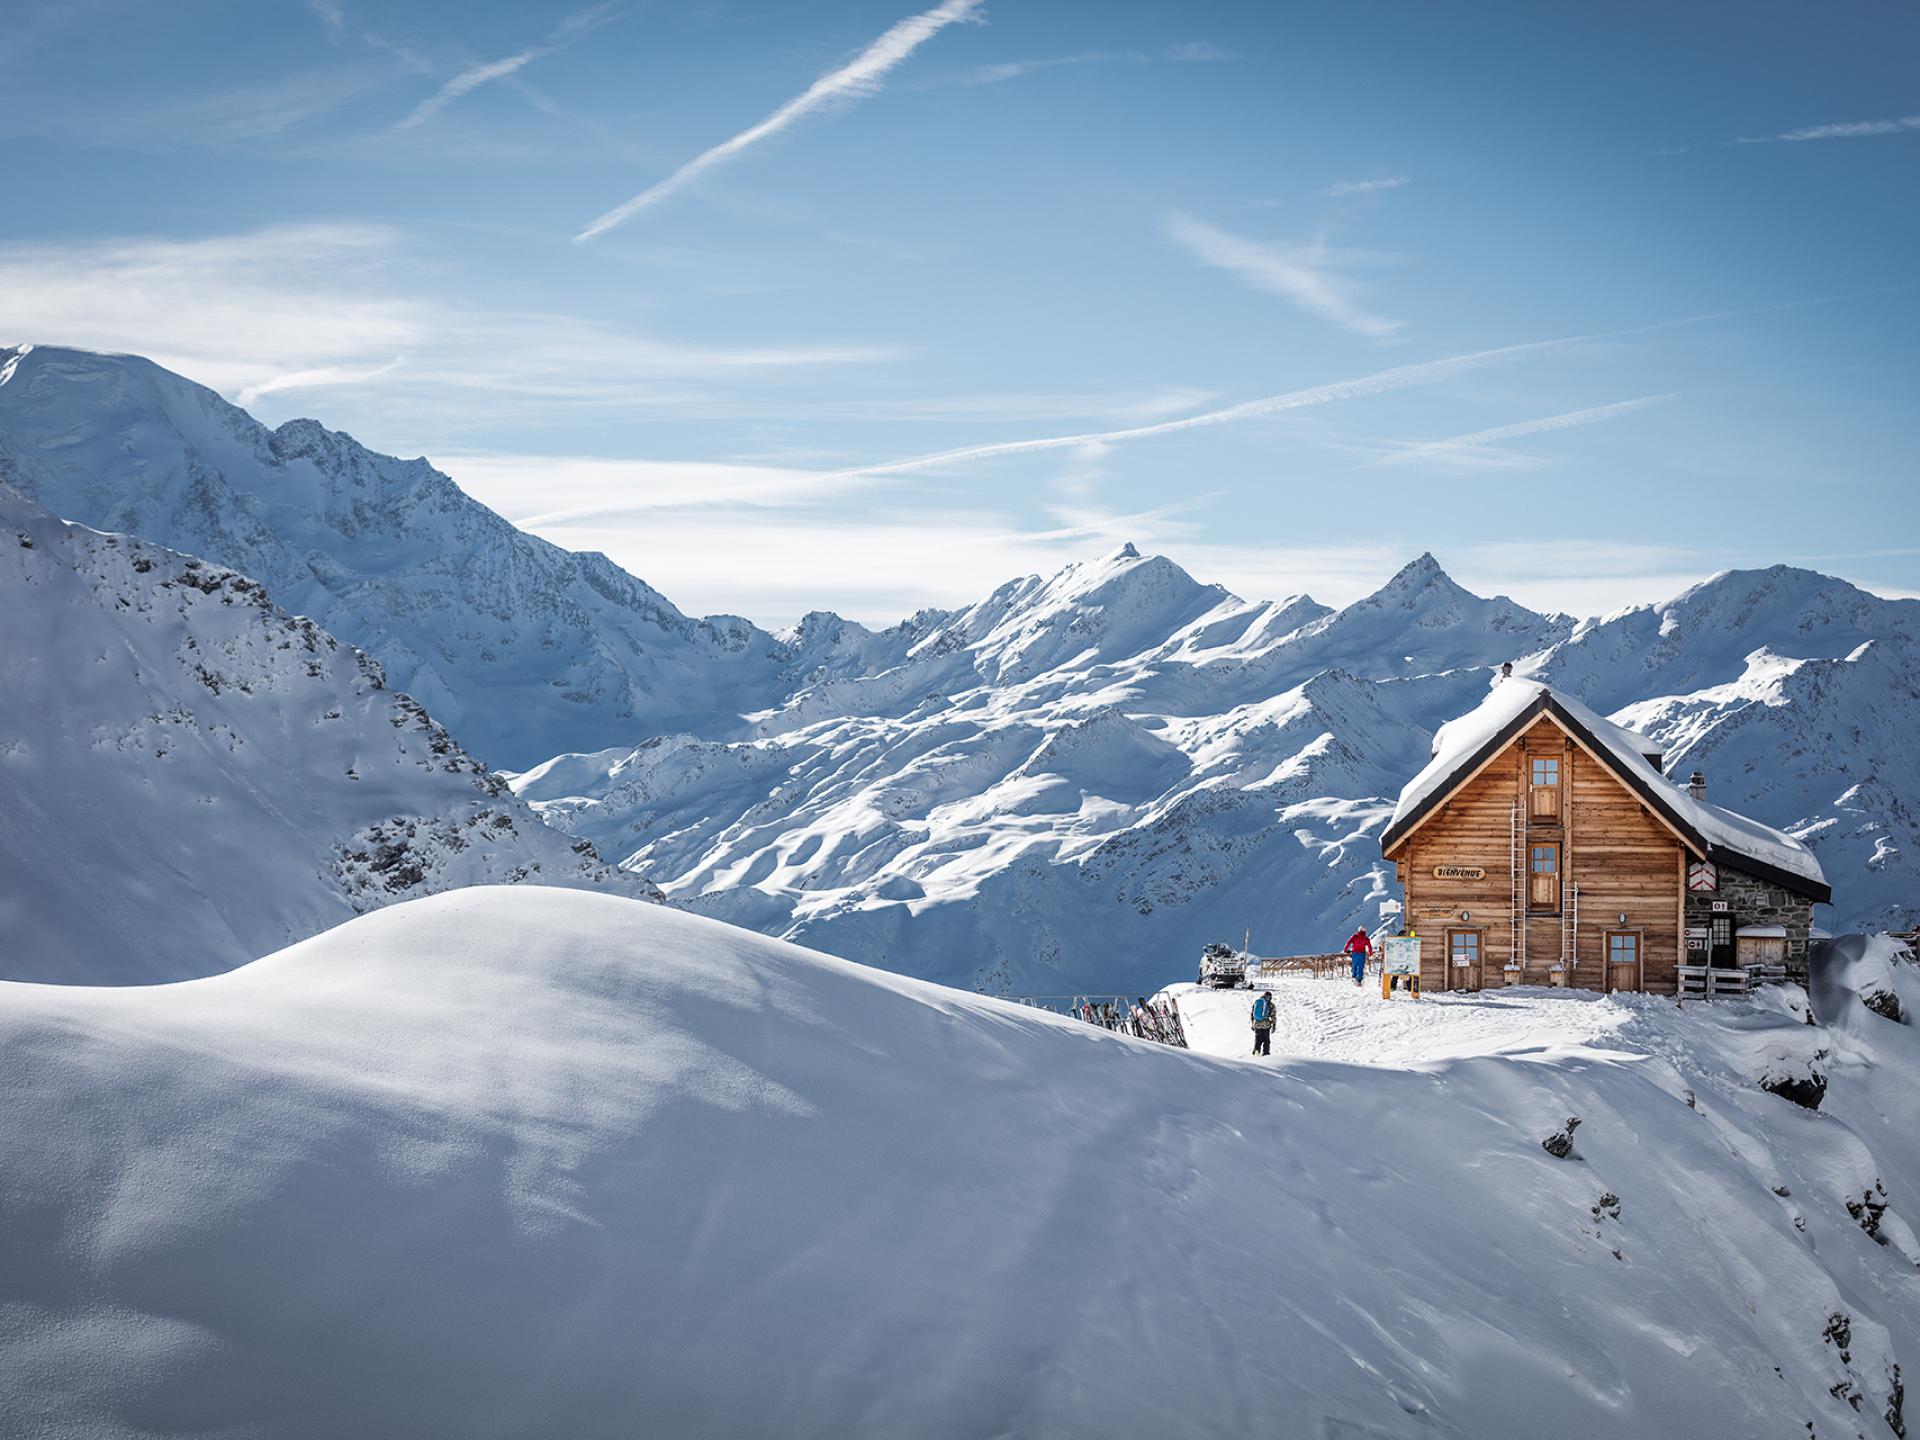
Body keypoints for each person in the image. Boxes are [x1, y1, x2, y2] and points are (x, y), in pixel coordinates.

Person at [1250, 989, 1276, 1056]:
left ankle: (1256, 1054)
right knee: (1266, 1041)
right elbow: (1273, 1016)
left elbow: (1252, 1014)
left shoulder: (1257, 1002)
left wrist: (1252, 1023)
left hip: (1256, 1024)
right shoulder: (1271, 1005)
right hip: (1266, 1025)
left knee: (1258, 1040)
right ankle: (1266, 1055)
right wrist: (1274, 1025)